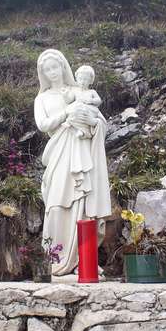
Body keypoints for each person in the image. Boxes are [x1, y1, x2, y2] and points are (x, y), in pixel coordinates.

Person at [34, 49, 112, 276]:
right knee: (57, 205)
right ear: (43, 74)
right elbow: (43, 124)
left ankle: (84, 261)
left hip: (81, 151)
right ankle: (56, 259)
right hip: (59, 151)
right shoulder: (42, 98)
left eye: (55, 67)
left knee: (84, 205)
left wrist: (93, 122)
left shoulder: (78, 91)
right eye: (47, 70)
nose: (52, 72)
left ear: (63, 67)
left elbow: (99, 120)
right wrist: (67, 113)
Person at [62, 65, 103, 140]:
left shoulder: (92, 92)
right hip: (78, 110)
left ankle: (83, 130)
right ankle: (76, 127)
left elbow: (99, 101)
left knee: (84, 118)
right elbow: (69, 100)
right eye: (80, 79)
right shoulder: (75, 91)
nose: (82, 82)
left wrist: (91, 101)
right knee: (74, 113)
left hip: (89, 110)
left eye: (85, 79)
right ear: (76, 79)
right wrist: (65, 95)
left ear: (90, 81)